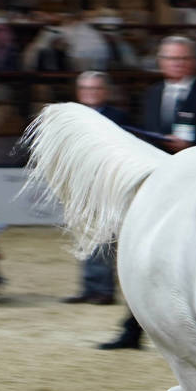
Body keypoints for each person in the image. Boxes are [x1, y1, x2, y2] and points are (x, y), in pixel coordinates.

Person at [99, 36, 196, 349]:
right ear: (160, 62)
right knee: (146, 257)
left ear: (193, 61)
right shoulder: (152, 94)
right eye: (170, 58)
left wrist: (192, 146)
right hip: (160, 184)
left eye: (182, 58)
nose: (176, 64)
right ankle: (133, 328)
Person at [65, 71, 127, 305]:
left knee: (104, 237)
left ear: (105, 91)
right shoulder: (72, 117)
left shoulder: (118, 117)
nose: (90, 93)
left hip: (107, 184)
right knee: (85, 236)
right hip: (79, 185)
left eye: (95, 88)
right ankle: (89, 288)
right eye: (85, 88)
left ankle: (103, 290)